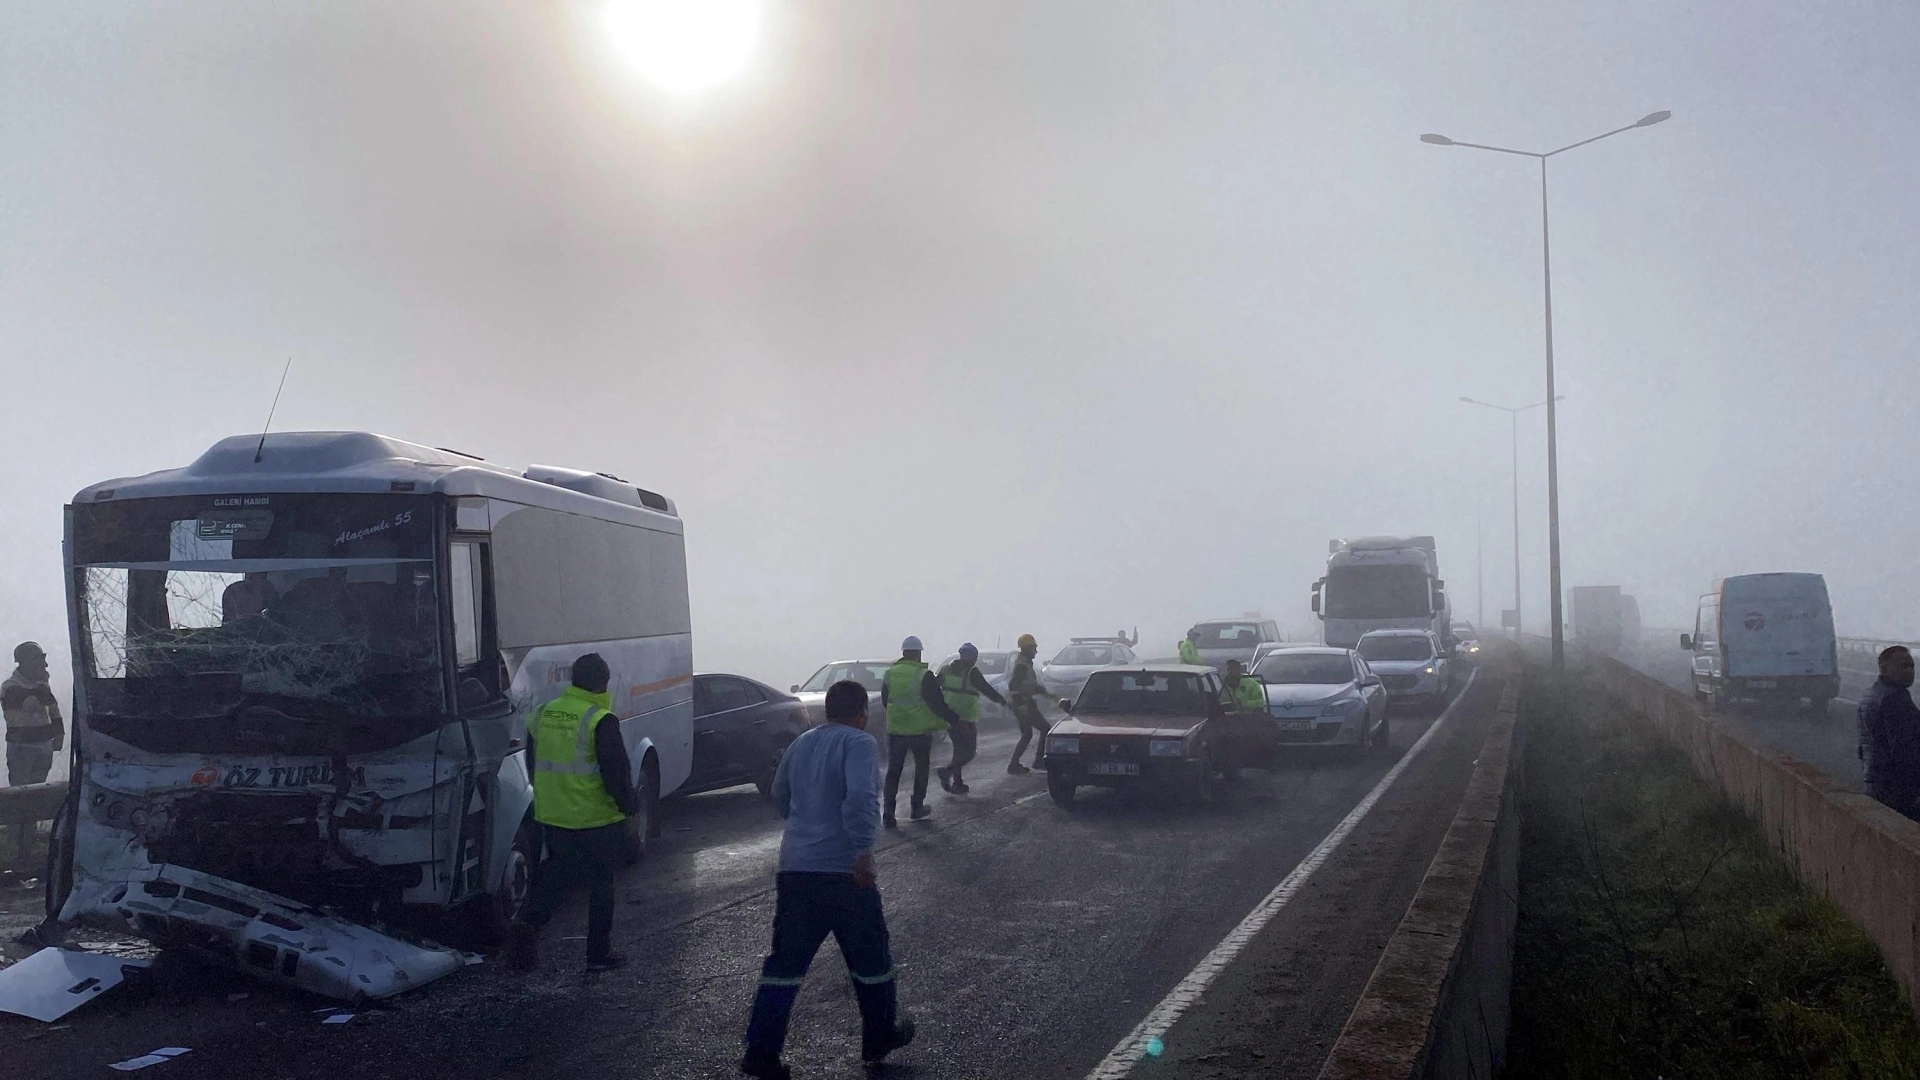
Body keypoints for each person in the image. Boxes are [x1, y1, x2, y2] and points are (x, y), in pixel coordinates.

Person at [740, 679, 915, 1079]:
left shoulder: (801, 743)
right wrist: (863, 851)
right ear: (862, 714)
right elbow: (860, 798)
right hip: (843, 873)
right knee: (870, 957)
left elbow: (779, 793)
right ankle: (880, 1036)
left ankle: (761, 1052)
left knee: (785, 965)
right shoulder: (859, 743)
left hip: (796, 870)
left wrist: (805, 827)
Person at [509, 653, 638, 972]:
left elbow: (533, 759)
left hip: (554, 817)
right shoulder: (601, 720)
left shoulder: (544, 713)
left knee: (558, 876)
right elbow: (617, 775)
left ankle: (528, 927)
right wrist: (630, 811)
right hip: (596, 819)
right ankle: (597, 955)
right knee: (601, 884)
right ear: (602, 683)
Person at [881, 636, 958, 827]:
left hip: (896, 731)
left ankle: (888, 813)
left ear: (904, 652)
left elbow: (885, 700)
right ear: (918, 653)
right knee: (921, 769)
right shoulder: (924, 675)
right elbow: (937, 703)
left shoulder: (890, 673)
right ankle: (917, 807)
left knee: (893, 772)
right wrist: (955, 720)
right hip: (919, 731)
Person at [934, 643, 1009, 795]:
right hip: (966, 717)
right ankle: (947, 772)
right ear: (973, 658)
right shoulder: (972, 672)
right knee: (969, 752)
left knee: (958, 749)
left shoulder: (946, 669)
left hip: (949, 716)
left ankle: (957, 783)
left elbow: (935, 687)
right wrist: (1001, 700)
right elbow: (985, 688)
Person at [1859, 645, 1920, 820]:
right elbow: (1904, 751)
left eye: (1911, 665)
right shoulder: (1895, 699)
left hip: (1876, 782)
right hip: (1898, 789)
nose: (1910, 671)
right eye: (1903, 666)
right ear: (1884, 668)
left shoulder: (1872, 693)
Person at [3, 642, 64, 787]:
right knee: (20, 790)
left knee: (38, 789)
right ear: (27, 663)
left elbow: (53, 709)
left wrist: (59, 733)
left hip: (43, 745)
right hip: (21, 747)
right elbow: (31, 705)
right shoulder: (10, 687)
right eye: (40, 661)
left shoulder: (40, 686)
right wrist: (43, 684)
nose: (45, 665)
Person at [1006, 633, 1052, 774]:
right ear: (1026, 648)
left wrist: (1046, 694)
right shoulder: (1022, 665)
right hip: (1024, 704)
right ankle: (1037, 761)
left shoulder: (1025, 663)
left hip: (1023, 703)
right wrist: (1021, 705)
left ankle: (1015, 764)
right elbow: (1013, 686)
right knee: (1045, 729)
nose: (1036, 652)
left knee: (1027, 734)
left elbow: (1029, 685)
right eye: (1033, 648)